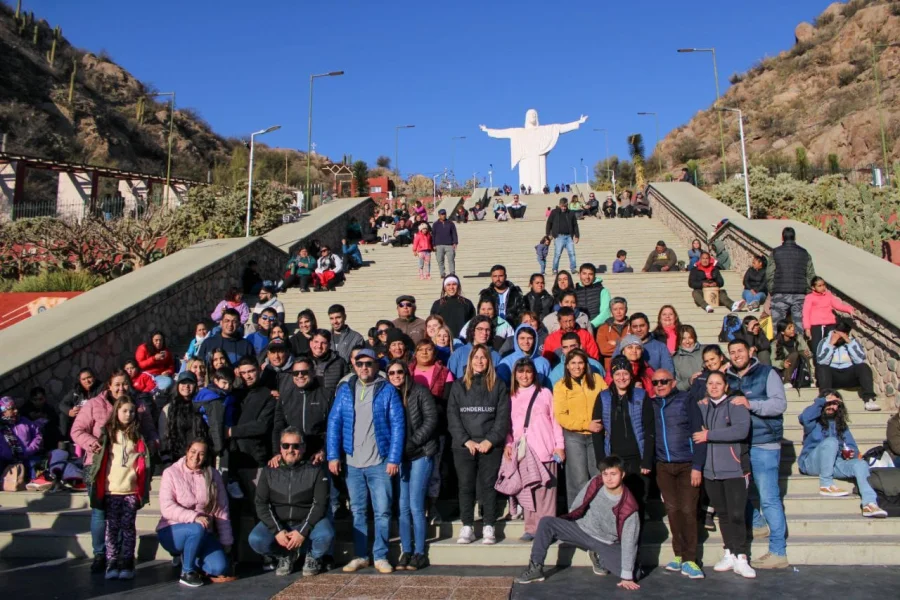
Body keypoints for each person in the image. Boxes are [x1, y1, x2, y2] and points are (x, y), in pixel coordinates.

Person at [72, 370, 157, 574]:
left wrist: (152, 445)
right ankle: (101, 555)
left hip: (128, 471)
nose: (121, 388)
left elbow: (150, 431)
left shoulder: (139, 406)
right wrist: (92, 443)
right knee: (101, 513)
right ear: (109, 386)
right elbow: (76, 431)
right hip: (98, 466)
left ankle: (119, 556)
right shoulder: (94, 404)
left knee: (125, 517)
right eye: (117, 384)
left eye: (125, 384)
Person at [328, 349, 405, 573]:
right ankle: (361, 555)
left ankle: (380, 555)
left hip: (379, 462)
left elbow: (398, 425)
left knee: (382, 511)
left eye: (368, 363)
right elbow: (334, 423)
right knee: (358, 511)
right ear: (354, 365)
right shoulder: (345, 389)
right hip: (352, 463)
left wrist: (393, 458)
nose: (364, 367)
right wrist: (333, 455)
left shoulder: (387, 390)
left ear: (376, 365)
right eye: (360, 363)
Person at [516, 455, 641, 590]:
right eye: (605, 474)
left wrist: (627, 577)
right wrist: (570, 521)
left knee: (635, 574)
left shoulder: (628, 506)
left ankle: (596, 553)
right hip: (581, 530)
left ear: (622, 475)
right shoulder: (596, 482)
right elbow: (579, 504)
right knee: (546, 522)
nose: (609, 478)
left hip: (605, 542)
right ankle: (536, 568)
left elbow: (629, 542)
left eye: (613, 474)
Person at [725, 338, 789, 569]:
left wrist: (750, 404)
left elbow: (779, 405)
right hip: (739, 444)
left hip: (764, 443)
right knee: (737, 492)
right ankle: (758, 523)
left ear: (750, 351)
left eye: (740, 351)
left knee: (769, 497)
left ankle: (778, 552)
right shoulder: (728, 377)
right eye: (732, 352)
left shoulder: (767, 373)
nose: (736, 355)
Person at [693, 371, 756, 578]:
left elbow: (740, 431)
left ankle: (742, 556)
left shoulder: (736, 405)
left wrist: (709, 435)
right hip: (712, 472)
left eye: (718, 383)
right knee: (723, 514)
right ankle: (729, 552)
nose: (713, 387)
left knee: (737, 514)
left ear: (725, 386)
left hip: (734, 470)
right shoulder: (702, 406)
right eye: (710, 383)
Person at [251, 427, 334, 577]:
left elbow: (320, 504)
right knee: (256, 540)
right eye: (286, 445)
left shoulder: (315, 471)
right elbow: (261, 503)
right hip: (280, 522)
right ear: (280, 448)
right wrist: (277, 530)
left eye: (296, 446)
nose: (291, 450)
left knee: (326, 534)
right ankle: (285, 555)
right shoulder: (269, 471)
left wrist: (302, 531)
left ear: (303, 447)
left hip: (305, 521)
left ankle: (313, 556)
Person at [448, 344, 510, 545]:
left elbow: (502, 418)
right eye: (476, 358)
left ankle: (489, 525)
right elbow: (453, 416)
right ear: (470, 360)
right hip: (464, 446)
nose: (480, 361)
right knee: (465, 485)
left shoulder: (498, 386)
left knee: (488, 486)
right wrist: (466, 441)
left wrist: (489, 440)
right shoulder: (458, 386)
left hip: (489, 445)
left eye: (483, 358)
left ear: (489, 361)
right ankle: (467, 526)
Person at [87, 395, 152, 582]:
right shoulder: (107, 433)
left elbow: (142, 461)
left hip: (130, 489)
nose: (128, 414)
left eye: (131, 411)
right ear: (116, 412)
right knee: (112, 528)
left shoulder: (137, 435)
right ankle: (112, 561)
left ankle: (127, 561)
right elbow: (100, 460)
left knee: (128, 528)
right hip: (111, 489)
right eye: (124, 410)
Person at [650, 370, 706, 579]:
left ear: (673, 382)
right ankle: (678, 554)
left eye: (664, 381)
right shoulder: (653, 404)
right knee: (672, 510)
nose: (660, 385)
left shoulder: (686, 400)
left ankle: (690, 558)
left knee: (689, 510)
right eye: (655, 382)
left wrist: (697, 466)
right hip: (664, 466)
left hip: (687, 464)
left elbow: (698, 433)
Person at [156, 438, 233, 588]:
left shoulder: (213, 475)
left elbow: (221, 509)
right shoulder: (170, 473)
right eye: (193, 452)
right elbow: (167, 507)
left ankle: (192, 556)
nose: (196, 457)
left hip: (204, 532)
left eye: (201, 454)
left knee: (219, 568)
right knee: (196, 528)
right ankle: (187, 572)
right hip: (172, 529)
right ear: (187, 451)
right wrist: (194, 517)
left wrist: (226, 540)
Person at [798, 391, 887, 517]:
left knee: (860, 464)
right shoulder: (812, 421)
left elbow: (852, 447)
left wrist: (851, 454)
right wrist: (823, 401)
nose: (832, 406)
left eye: (836, 404)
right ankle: (826, 484)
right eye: (829, 403)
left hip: (835, 463)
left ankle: (869, 504)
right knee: (831, 442)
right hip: (811, 462)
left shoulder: (841, 425)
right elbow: (804, 417)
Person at [503, 358, 564, 541]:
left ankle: (547, 529)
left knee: (547, 492)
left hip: (545, 449)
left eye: (528, 372)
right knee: (528, 491)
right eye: (520, 372)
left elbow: (555, 421)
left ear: (534, 374)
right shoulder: (511, 396)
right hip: (524, 452)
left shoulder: (545, 393)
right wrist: (508, 444)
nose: (524, 376)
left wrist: (559, 446)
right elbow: (508, 425)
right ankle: (531, 528)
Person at [386, 359, 438, 570]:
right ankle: (406, 550)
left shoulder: (420, 392)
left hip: (421, 453)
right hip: (401, 456)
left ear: (406, 373)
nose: (396, 375)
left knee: (416, 505)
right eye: (391, 373)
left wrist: (412, 442)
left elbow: (431, 420)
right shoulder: (388, 394)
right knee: (403, 506)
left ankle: (419, 552)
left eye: (400, 371)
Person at [594, 356, 655, 513]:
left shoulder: (641, 396)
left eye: (625, 374)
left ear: (631, 375)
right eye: (617, 374)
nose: (622, 378)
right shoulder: (603, 397)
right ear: (612, 377)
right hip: (614, 458)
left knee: (638, 501)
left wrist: (647, 460)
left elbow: (649, 429)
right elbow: (597, 431)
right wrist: (601, 461)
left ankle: (638, 536)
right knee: (616, 504)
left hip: (637, 457)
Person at [553, 349, 607, 505]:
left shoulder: (597, 380)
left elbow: (607, 401)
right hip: (574, 436)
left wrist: (601, 424)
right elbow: (562, 416)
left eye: (580, 363)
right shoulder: (561, 386)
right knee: (578, 478)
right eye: (573, 363)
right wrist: (586, 424)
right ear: (567, 366)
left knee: (598, 475)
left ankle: (599, 514)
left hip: (596, 434)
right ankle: (576, 515)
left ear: (586, 364)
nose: (577, 367)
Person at [228, 358, 276, 500]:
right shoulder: (233, 394)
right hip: (232, 459)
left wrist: (231, 431)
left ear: (259, 370)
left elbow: (262, 426)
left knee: (258, 505)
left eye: (251, 371)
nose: (247, 376)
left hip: (255, 460)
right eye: (243, 373)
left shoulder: (268, 395)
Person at [815, 320, 879, 411]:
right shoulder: (824, 342)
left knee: (863, 367)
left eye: (842, 335)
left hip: (849, 375)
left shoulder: (852, 342)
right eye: (837, 334)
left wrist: (849, 342)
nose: (839, 338)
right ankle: (826, 398)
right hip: (832, 377)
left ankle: (869, 399)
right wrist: (831, 344)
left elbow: (860, 360)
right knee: (822, 368)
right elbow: (821, 361)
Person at [766, 226, 816, 328]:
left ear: (782, 237)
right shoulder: (804, 253)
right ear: (795, 237)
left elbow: (769, 274)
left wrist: (772, 290)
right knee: (799, 327)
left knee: (778, 327)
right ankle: (799, 343)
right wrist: (807, 290)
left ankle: (779, 343)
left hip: (779, 293)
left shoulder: (775, 252)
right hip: (799, 294)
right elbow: (810, 275)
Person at [803, 276, 855, 366]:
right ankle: (819, 368)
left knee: (830, 344)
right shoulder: (809, 297)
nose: (822, 287)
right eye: (819, 286)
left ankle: (830, 366)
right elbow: (806, 313)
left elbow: (838, 305)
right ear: (813, 287)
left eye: (823, 285)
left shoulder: (828, 295)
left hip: (829, 324)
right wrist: (807, 328)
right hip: (816, 325)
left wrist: (849, 309)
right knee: (817, 346)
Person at [0, 397, 43, 485]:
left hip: (26, 456)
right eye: (12, 409)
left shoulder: (25, 422)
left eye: (15, 408)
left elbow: (38, 436)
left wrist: (29, 450)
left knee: (35, 462)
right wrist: (6, 454)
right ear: (3, 411)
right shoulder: (1, 426)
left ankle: (34, 481)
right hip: (5, 460)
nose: (16, 411)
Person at [59, 368, 103, 449]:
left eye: (89, 377)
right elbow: (62, 404)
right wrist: (70, 411)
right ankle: (66, 441)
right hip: (78, 418)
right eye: (84, 379)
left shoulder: (101, 388)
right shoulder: (76, 390)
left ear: (94, 377)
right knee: (63, 416)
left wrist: (84, 409)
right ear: (80, 380)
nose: (87, 381)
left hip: (93, 417)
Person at [430, 275, 476, 340]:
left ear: (458, 286)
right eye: (448, 285)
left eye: (454, 284)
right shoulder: (437, 304)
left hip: (463, 340)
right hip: (443, 340)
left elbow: (472, 323)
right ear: (444, 288)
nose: (451, 287)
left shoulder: (467, 303)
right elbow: (433, 324)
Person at [772, 320, 812, 388]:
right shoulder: (775, 343)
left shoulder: (798, 338)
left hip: (798, 366)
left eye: (793, 327)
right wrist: (782, 364)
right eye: (789, 328)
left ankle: (808, 379)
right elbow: (773, 361)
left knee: (802, 353)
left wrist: (808, 353)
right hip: (784, 369)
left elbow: (807, 351)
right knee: (794, 354)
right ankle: (786, 381)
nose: (793, 329)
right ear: (782, 332)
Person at [595, 298, 630, 374]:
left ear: (626, 310)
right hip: (611, 368)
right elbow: (603, 350)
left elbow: (635, 348)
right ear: (611, 311)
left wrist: (616, 342)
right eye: (615, 309)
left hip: (630, 367)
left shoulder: (632, 326)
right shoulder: (603, 328)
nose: (618, 312)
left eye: (621, 308)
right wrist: (626, 345)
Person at [545, 197, 579, 274]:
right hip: (559, 236)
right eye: (562, 206)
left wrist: (577, 236)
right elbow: (549, 223)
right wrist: (548, 234)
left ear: (567, 205)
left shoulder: (571, 213)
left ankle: (573, 268)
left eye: (565, 206)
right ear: (559, 205)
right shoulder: (554, 212)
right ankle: (555, 269)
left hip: (569, 237)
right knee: (557, 254)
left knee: (572, 253)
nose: (563, 208)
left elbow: (575, 225)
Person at [309, 330, 348, 395]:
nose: (319, 346)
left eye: (323, 343)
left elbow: (346, 386)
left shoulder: (340, 362)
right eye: (316, 342)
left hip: (331, 402)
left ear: (329, 345)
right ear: (310, 343)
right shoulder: (302, 361)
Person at [574, 263, 612, 329]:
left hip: (597, 328)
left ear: (594, 275)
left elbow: (605, 313)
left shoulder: (603, 291)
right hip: (578, 329)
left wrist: (590, 325)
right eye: (584, 273)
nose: (587, 277)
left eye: (590, 274)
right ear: (579, 274)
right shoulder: (574, 291)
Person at [673, 325, 703, 392]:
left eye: (690, 338)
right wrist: (689, 381)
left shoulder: (705, 350)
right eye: (683, 338)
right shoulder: (676, 359)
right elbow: (676, 384)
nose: (687, 341)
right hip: (690, 394)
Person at [432, 208, 458, 279]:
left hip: (449, 244)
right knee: (440, 260)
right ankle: (442, 273)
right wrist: (433, 244)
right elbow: (433, 235)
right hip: (438, 245)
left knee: (451, 259)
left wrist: (455, 242)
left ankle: (452, 273)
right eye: (442, 214)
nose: (443, 215)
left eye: (444, 214)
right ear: (439, 215)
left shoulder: (450, 223)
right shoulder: (435, 224)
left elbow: (454, 233)